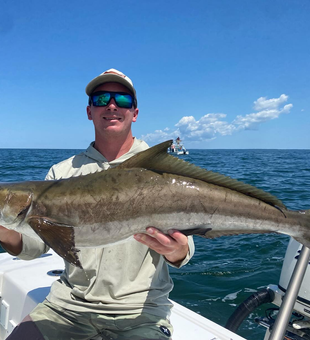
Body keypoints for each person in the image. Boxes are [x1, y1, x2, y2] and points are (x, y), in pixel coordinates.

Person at [0, 68, 195, 340]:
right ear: (89, 111)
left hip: (141, 313)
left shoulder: (161, 175)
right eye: (101, 99)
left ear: (135, 113)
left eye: (123, 100)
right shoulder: (61, 172)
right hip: (67, 307)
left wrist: (177, 249)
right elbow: (36, 246)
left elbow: (184, 250)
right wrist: (4, 229)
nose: (112, 106)